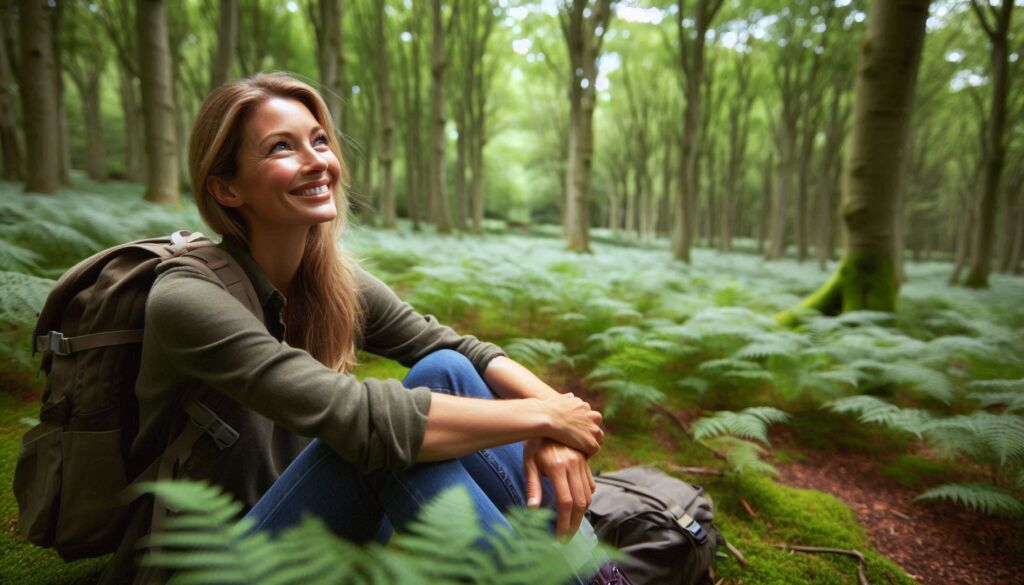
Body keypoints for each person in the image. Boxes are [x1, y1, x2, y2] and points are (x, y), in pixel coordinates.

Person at [101, 72, 605, 584]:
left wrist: (561, 421)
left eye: (319, 140)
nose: (317, 160)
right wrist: (539, 417)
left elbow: (455, 348)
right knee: (386, 444)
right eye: (281, 147)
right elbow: (362, 420)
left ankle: (595, 576)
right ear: (226, 189)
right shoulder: (187, 298)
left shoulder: (327, 279)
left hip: (313, 532)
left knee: (444, 369)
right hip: (208, 565)